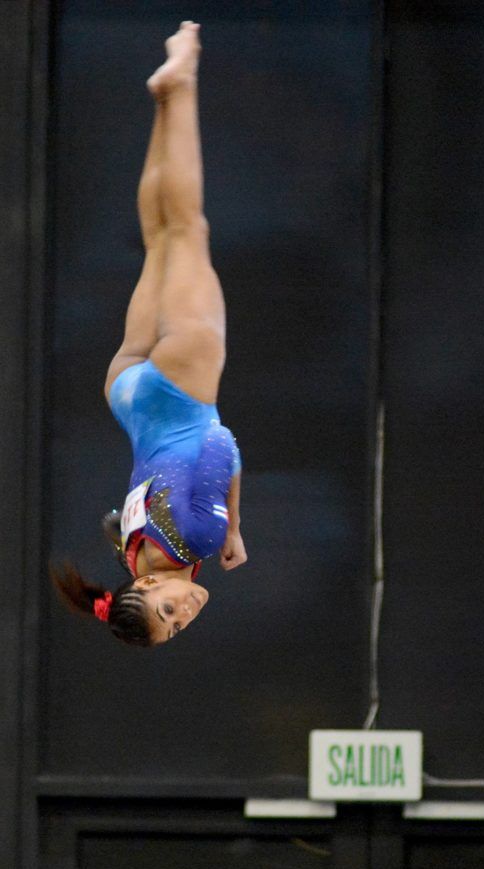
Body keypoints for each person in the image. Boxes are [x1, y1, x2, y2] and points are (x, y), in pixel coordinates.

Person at [52, 22, 247, 647]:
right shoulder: (132, 557)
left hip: (181, 391)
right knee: (161, 236)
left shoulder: (196, 540)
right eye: (179, 626)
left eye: (167, 612)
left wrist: (234, 529)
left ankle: (182, 83)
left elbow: (221, 445)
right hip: (129, 394)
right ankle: (164, 101)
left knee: (189, 228)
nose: (185, 612)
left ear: (142, 589)